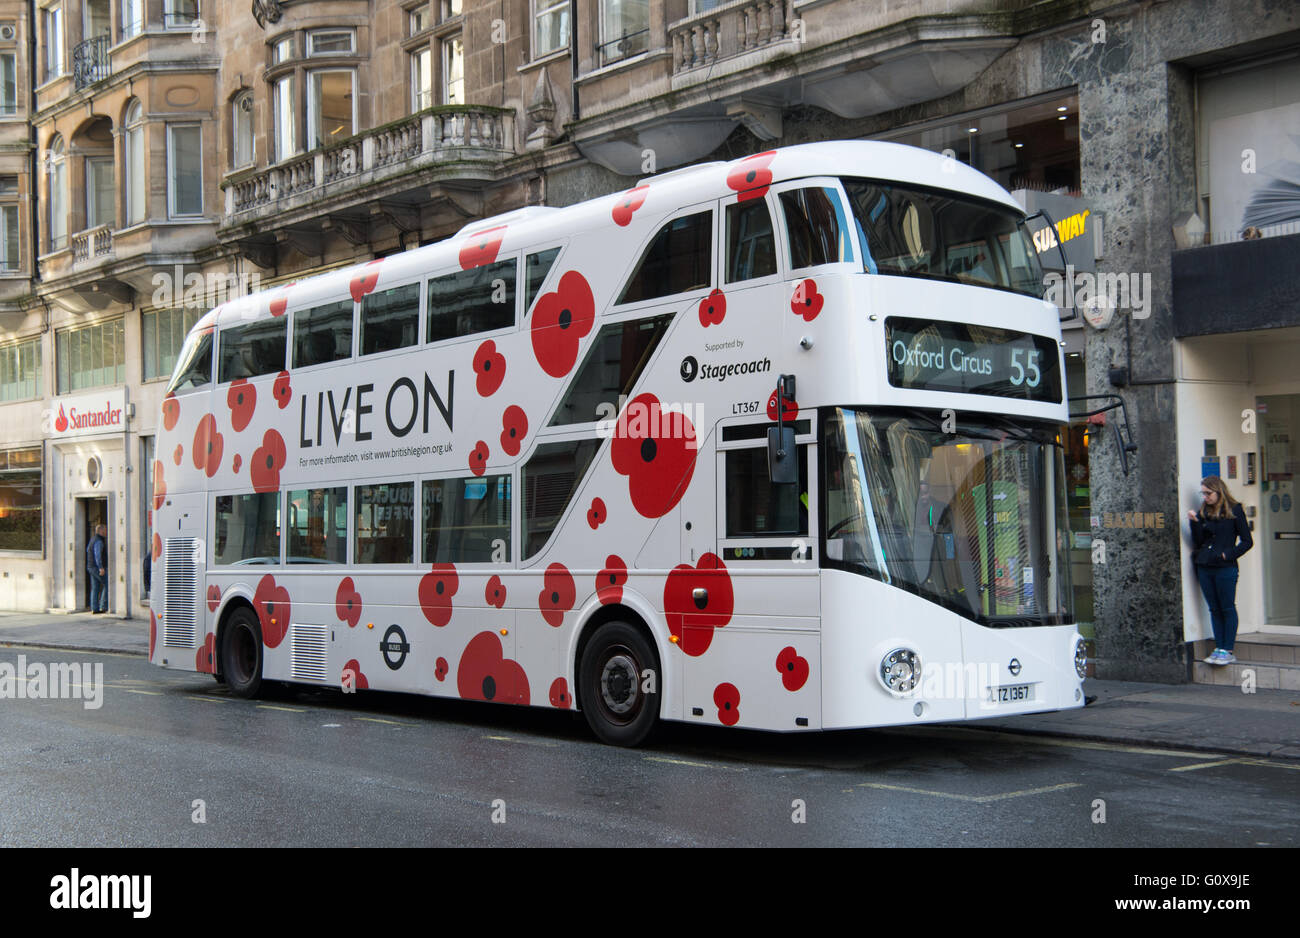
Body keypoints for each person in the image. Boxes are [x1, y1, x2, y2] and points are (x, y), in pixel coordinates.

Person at [1187, 476, 1252, 665]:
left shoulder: (1235, 509)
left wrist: (1228, 555)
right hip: (1205, 565)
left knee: (1227, 607)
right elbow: (1199, 541)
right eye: (1203, 493)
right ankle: (1219, 647)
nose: (1205, 497)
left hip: (1225, 567)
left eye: (1208, 493)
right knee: (1214, 608)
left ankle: (1228, 649)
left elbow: (1247, 541)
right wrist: (1194, 523)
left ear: (1218, 491)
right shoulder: (1204, 510)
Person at [87, 523, 108, 615]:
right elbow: (97, 555)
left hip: (91, 566)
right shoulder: (99, 541)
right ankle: (103, 606)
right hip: (96, 568)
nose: (107, 532)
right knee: (107, 584)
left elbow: (88, 550)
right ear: (101, 531)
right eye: (106, 530)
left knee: (95, 587)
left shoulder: (92, 539)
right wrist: (101, 567)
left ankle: (94, 608)